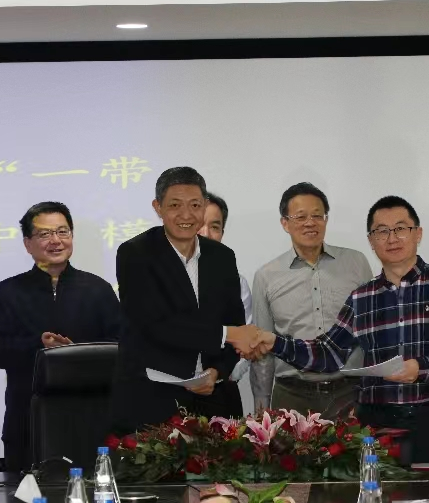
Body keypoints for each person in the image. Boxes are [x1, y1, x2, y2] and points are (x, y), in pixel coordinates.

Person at [248, 196, 429, 462]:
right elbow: (328, 353)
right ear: (371, 241)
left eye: (400, 228)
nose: (391, 238)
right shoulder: (362, 296)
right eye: (381, 231)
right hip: (378, 424)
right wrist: (275, 342)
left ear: (417, 234)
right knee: (377, 488)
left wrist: (421, 367)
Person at [109, 167, 259, 434]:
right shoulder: (135, 254)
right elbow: (155, 324)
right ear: (158, 207)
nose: (186, 215)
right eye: (175, 205)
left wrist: (217, 371)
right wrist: (228, 334)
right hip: (153, 401)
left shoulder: (222, 257)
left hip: (213, 398)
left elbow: (234, 320)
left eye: (195, 205)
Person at [0, 201, 121, 472]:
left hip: (90, 422)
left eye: (62, 232)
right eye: (45, 234)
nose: (56, 240)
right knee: (25, 497)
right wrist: (38, 346)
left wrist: (77, 352)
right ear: (28, 243)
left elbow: (122, 348)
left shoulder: (98, 290)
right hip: (27, 423)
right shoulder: (8, 291)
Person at [249, 182, 372, 417]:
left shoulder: (356, 263)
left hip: (349, 393)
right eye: (300, 216)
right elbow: (262, 349)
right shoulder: (266, 276)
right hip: (292, 395)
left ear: (326, 219)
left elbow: (371, 332)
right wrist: (262, 403)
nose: (310, 223)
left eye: (317, 215)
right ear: (285, 223)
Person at [198, 191, 253, 383]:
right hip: (167, 389)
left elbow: (244, 340)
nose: (206, 233)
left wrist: (219, 374)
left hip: (220, 386)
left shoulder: (237, 282)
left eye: (214, 227)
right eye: (199, 224)